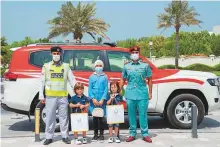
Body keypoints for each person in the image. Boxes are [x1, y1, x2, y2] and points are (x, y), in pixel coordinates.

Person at [39, 46, 76, 145]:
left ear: (61, 54)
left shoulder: (66, 66)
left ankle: (65, 136)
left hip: (63, 96)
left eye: (58, 54)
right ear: (51, 54)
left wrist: (76, 93)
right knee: (50, 117)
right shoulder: (46, 66)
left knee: (64, 117)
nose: (56, 55)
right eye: (54, 54)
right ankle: (49, 137)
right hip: (50, 97)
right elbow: (42, 82)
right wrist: (41, 95)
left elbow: (72, 80)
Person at [120, 46, 153, 143]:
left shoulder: (145, 66)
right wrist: (118, 90)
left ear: (139, 53)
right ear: (130, 54)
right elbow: (123, 79)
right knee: (131, 115)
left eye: (136, 52)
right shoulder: (126, 66)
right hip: (130, 93)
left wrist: (150, 92)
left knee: (143, 115)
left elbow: (150, 79)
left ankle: (145, 134)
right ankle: (132, 134)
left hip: (142, 93)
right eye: (133, 52)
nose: (135, 54)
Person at [88, 60, 108, 143]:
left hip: (102, 101)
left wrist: (103, 99)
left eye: (100, 65)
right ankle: (95, 134)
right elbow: (90, 89)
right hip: (94, 101)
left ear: (102, 66)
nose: (98, 67)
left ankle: (102, 134)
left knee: (101, 118)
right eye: (97, 65)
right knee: (95, 118)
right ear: (94, 67)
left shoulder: (105, 76)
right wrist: (93, 98)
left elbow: (106, 89)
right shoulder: (91, 76)